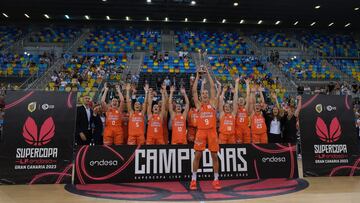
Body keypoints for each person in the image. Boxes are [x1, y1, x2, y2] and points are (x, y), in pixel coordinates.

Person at [190, 67, 221, 190]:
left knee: (214, 156)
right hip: (201, 132)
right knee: (197, 155)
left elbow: (213, 87)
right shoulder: (198, 105)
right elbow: (193, 92)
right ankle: (193, 180)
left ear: (208, 96)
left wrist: (207, 73)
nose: (204, 95)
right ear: (201, 96)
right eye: (203, 93)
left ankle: (216, 179)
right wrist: (197, 75)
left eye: (206, 93)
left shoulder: (212, 103)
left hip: (212, 131)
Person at [218, 78, 239, 144]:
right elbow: (221, 101)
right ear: (223, 108)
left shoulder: (233, 114)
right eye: (225, 107)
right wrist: (223, 91)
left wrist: (235, 91)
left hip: (232, 136)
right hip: (222, 136)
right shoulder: (222, 114)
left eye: (228, 107)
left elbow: (235, 102)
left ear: (231, 108)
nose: (227, 108)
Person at [236, 78, 251, 144]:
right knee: (239, 145)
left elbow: (248, 95)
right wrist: (236, 83)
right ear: (237, 102)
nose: (241, 100)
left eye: (242, 99)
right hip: (238, 129)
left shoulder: (246, 108)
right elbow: (236, 95)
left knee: (247, 145)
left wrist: (247, 84)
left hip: (246, 129)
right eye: (240, 99)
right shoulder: (235, 109)